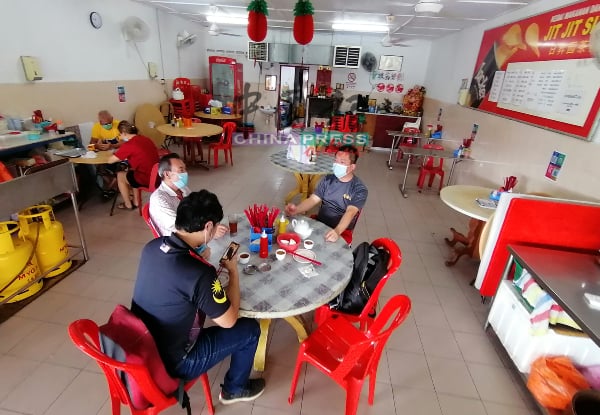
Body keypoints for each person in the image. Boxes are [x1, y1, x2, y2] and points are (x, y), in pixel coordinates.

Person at [131, 190, 265, 405]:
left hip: (143, 342)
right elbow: (228, 320)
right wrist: (232, 271)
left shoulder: (152, 247)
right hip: (174, 362)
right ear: (209, 227)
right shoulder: (199, 273)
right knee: (249, 329)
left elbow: (173, 278)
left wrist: (195, 258)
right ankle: (235, 389)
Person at [285, 144, 367, 243]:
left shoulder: (359, 189)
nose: (337, 164)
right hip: (321, 222)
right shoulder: (329, 179)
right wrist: (296, 210)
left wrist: (337, 231)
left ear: (352, 167)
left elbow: (351, 212)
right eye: (336, 161)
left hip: (341, 230)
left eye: (342, 162)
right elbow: (313, 199)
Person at [149, 153, 228, 243]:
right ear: (167, 174)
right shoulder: (159, 200)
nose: (185, 173)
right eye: (181, 170)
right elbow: (180, 228)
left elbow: (197, 208)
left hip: (196, 231)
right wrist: (210, 231)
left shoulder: (182, 188)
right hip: (179, 242)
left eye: (185, 169)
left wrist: (212, 223)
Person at [107, 121, 159, 210]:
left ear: (124, 133)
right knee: (131, 171)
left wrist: (117, 154)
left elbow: (110, 161)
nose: (120, 137)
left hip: (146, 178)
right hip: (157, 175)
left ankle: (128, 204)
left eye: (120, 134)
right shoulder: (145, 139)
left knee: (120, 175)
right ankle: (136, 201)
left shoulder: (129, 145)